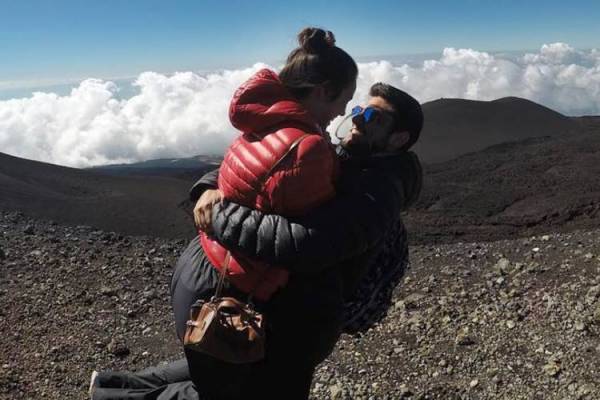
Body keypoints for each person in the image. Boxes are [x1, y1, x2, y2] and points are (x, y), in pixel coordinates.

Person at [90, 83, 423, 399]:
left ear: (398, 139)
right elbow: (261, 162)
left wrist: (220, 215)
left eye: (374, 118)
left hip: (306, 317)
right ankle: (110, 388)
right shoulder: (347, 157)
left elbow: (308, 245)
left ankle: (110, 391)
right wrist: (208, 187)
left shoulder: (379, 191)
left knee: (237, 379)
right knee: (230, 371)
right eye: (361, 109)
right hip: (285, 304)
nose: (358, 120)